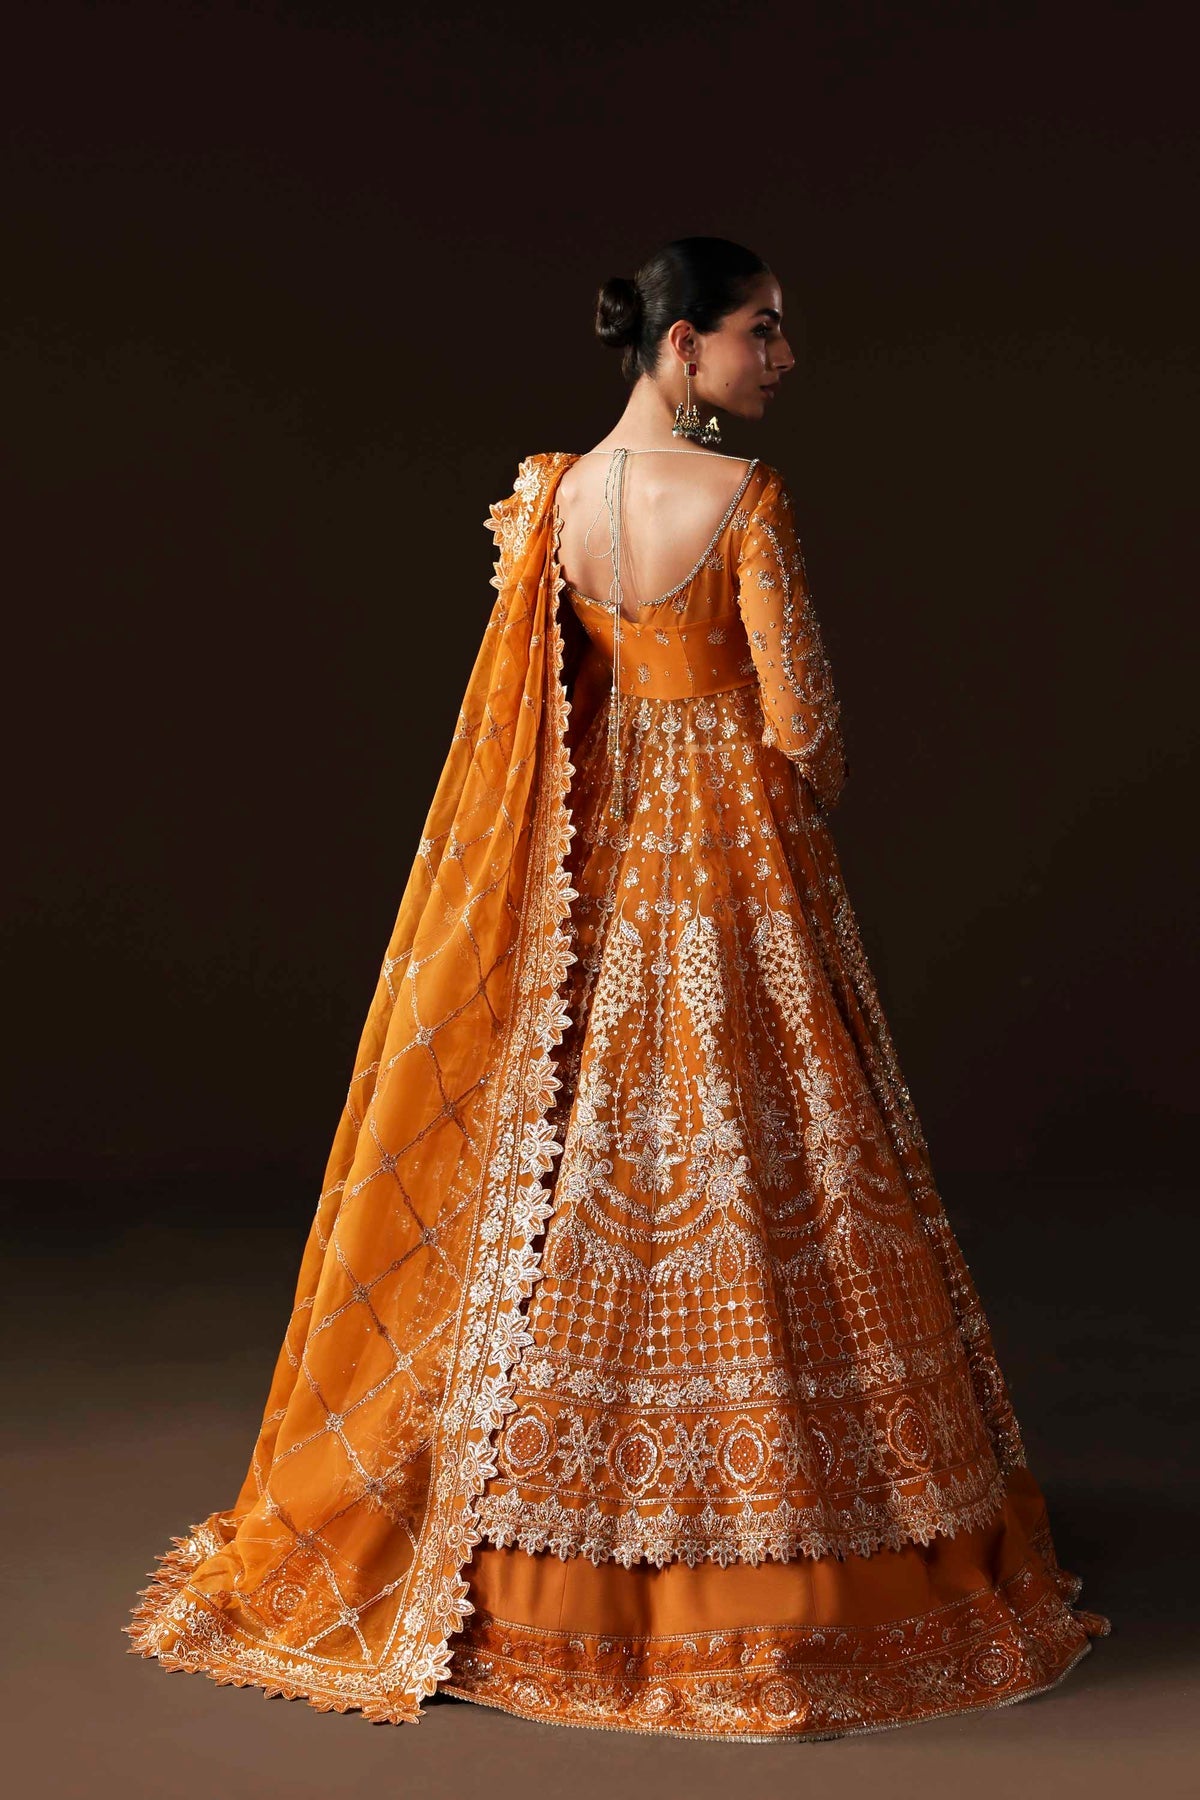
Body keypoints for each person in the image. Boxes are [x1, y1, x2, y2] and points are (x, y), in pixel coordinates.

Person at [127, 236, 1109, 1742]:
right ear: (683, 345)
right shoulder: (747, 501)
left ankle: (520, 1538)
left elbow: (538, 714)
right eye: (761, 331)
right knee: (759, 1157)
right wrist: (768, 778)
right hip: (731, 861)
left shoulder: (552, 497)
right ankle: (779, 1546)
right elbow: (808, 730)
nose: (783, 358)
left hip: (583, 866)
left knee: (575, 1157)